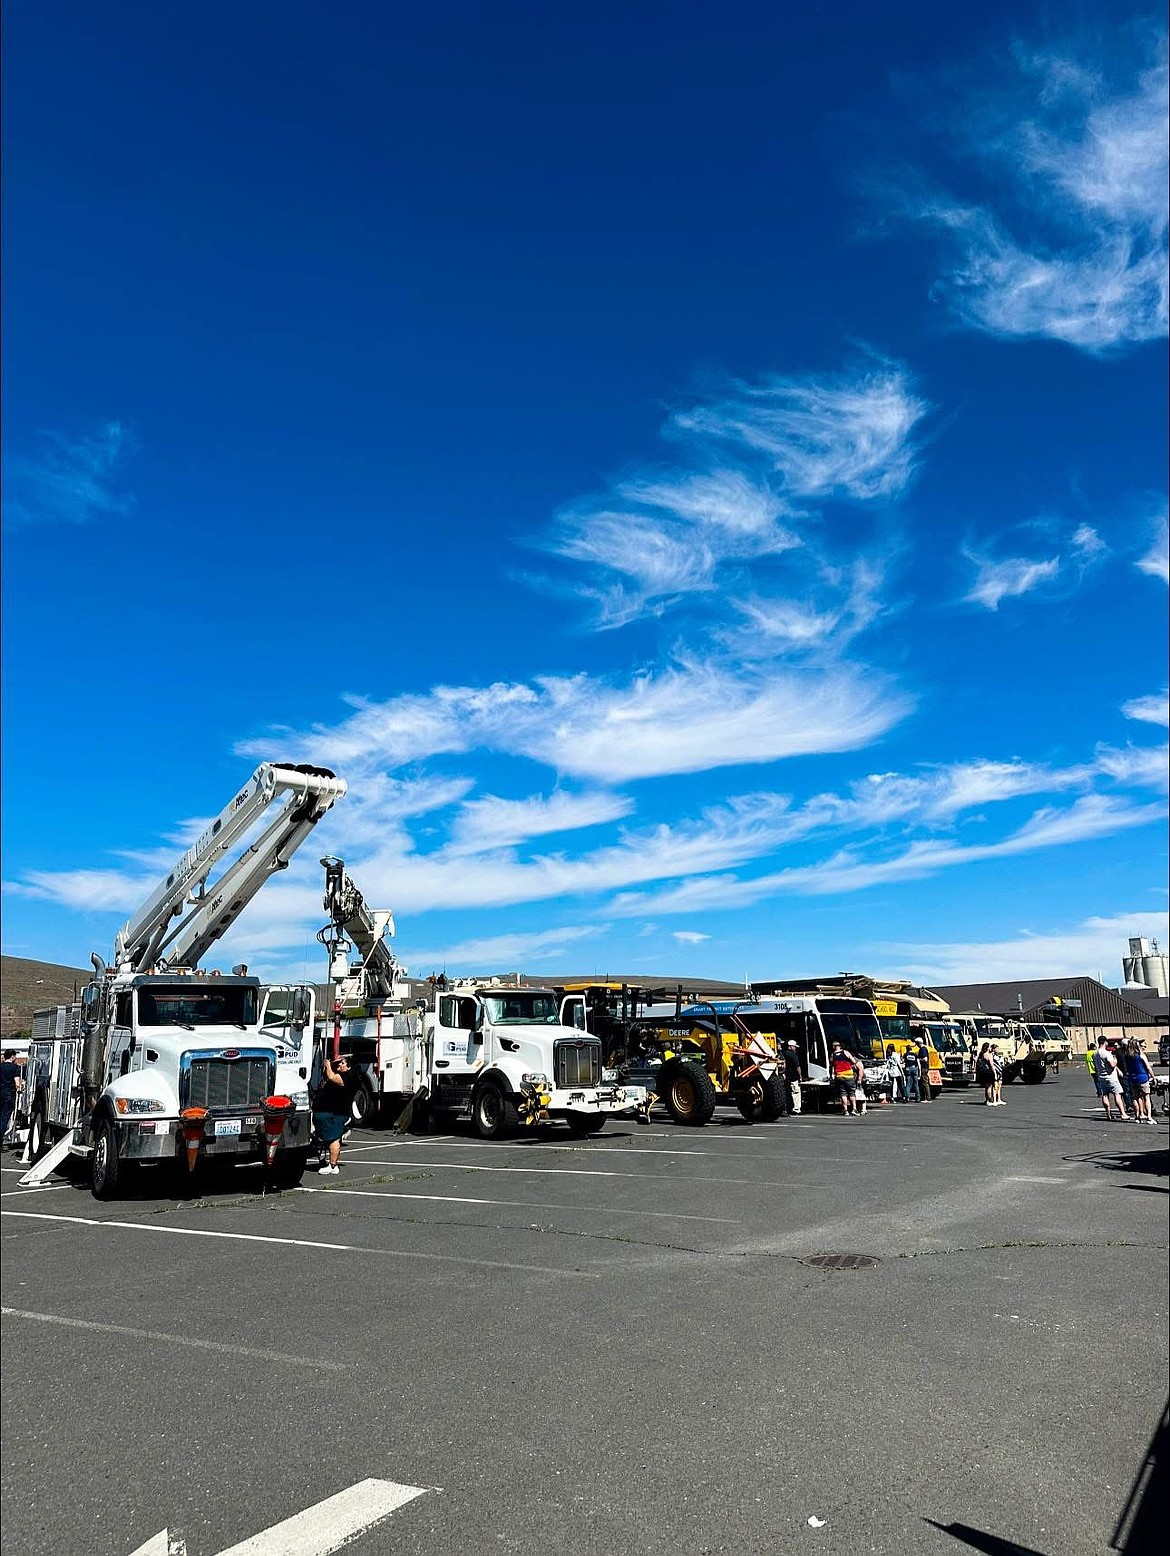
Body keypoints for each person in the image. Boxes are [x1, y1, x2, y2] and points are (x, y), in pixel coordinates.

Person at [312, 1052, 360, 1173]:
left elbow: (332, 1077)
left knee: (333, 1138)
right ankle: (331, 1162)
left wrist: (328, 1066)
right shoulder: (341, 1074)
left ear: (349, 1067)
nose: (340, 1065)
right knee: (329, 1137)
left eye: (343, 1063)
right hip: (327, 1112)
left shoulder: (347, 1077)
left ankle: (333, 1166)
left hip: (335, 1114)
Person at [1092, 1037, 1129, 1122]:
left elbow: (1095, 1065)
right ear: (1105, 1042)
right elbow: (1112, 1065)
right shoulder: (1107, 1053)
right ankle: (1123, 1113)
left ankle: (1108, 1114)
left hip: (1101, 1077)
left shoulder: (1095, 1053)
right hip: (1111, 1077)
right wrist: (1115, 1060)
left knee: (1105, 1095)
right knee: (1117, 1094)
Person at [1125, 1039, 1155, 1124]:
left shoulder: (1127, 1056)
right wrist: (1153, 1077)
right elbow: (1148, 1067)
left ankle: (1137, 1116)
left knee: (1135, 1098)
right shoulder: (1141, 1055)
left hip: (1132, 1077)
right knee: (1146, 1097)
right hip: (1142, 1077)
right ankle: (1149, 1117)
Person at [829, 1042, 860, 1117]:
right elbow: (854, 1061)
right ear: (840, 1046)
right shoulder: (846, 1052)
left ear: (834, 1047)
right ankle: (854, 1109)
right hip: (848, 1075)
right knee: (852, 1093)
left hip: (839, 1076)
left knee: (843, 1093)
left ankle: (845, 1110)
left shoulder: (832, 1055)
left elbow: (832, 1066)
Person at [0, 1050, 23, 1150]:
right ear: (12, 1057)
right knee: (4, 1118)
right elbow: (17, 1082)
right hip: (9, 1094)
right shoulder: (15, 1068)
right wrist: (20, 1088)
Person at [783, 1040, 802, 1116]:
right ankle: (796, 1109)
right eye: (794, 1047)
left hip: (786, 1076)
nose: (795, 1048)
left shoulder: (784, 1054)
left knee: (787, 1093)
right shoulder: (793, 1055)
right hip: (794, 1076)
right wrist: (800, 1076)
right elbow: (797, 1066)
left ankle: (788, 1108)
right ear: (791, 1046)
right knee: (796, 1092)